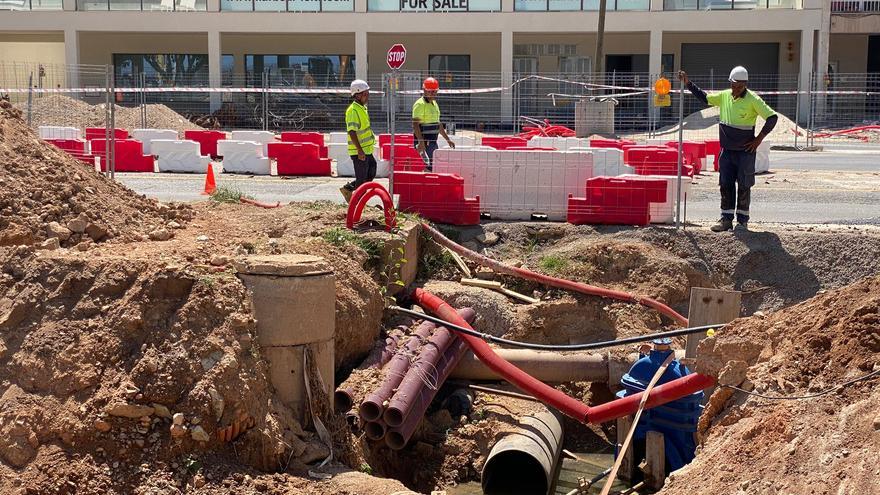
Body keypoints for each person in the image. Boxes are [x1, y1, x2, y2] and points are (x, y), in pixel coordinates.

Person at [679, 66, 778, 232]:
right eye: (734, 85)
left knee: (744, 185)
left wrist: (758, 140)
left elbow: (772, 118)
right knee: (726, 184)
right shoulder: (724, 96)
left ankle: (742, 222)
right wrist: (688, 83)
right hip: (727, 151)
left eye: (741, 86)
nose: (737, 89)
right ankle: (726, 219)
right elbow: (705, 98)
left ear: (745, 84)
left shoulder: (753, 99)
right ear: (730, 82)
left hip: (745, 153)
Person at [340, 79, 376, 203]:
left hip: (367, 149)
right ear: (357, 95)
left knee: (371, 173)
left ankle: (348, 189)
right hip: (359, 152)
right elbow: (352, 131)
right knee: (362, 180)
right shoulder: (353, 110)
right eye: (365, 94)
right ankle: (357, 204)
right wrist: (359, 150)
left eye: (367, 94)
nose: (367, 97)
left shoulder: (362, 108)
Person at [412, 77, 455, 171]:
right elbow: (415, 125)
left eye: (434, 92)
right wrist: (420, 142)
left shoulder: (434, 104)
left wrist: (448, 139)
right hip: (424, 142)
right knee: (429, 166)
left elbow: (438, 124)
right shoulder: (420, 104)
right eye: (430, 92)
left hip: (432, 142)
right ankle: (425, 183)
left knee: (433, 165)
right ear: (424, 90)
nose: (433, 94)